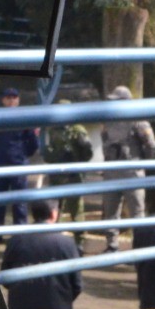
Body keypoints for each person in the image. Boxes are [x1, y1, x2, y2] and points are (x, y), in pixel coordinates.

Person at [0, 199, 83, 309]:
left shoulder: (16, 240)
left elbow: (6, 278)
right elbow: (77, 284)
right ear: (54, 214)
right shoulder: (67, 243)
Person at [99, 85, 155, 251]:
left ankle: (139, 246)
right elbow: (104, 142)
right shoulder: (108, 121)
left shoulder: (138, 120)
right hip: (111, 170)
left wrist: (143, 163)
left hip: (133, 171)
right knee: (110, 210)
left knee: (137, 212)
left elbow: (151, 145)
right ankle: (111, 245)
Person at [40, 100, 95, 247]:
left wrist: (76, 155)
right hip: (57, 174)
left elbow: (88, 153)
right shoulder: (54, 130)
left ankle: (79, 242)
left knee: (76, 210)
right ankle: (54, 239)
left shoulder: (77, 130)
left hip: (73, 175)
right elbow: (48, 152)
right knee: (55, 208)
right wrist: (52, 155)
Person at [0, 88, 39, 227]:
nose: (11, 101)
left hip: (18, 164)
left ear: (18, 100)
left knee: (20, 200)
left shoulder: (25, 117)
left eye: (14, 98)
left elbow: (33, 142)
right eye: (8, 98)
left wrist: (22, 155)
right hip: (0, 163)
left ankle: (20, 231)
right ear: (3, 100)